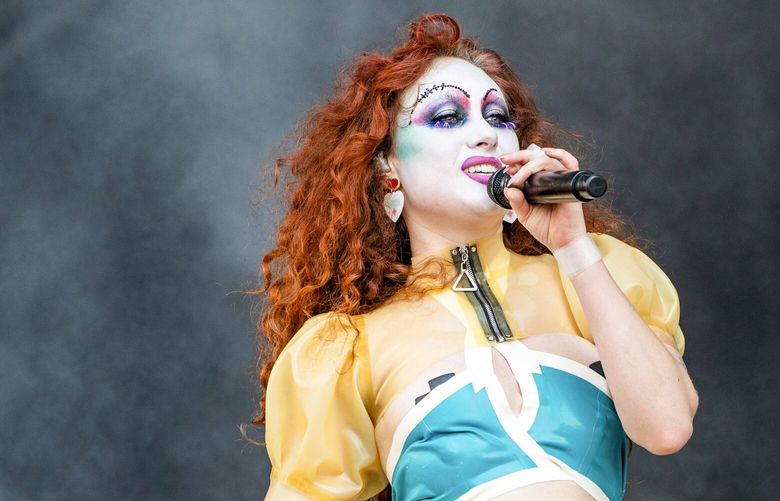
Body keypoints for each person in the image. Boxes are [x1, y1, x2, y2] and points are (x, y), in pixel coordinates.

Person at [248, 13, 698, 501]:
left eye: (498, 117)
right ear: (387, 169)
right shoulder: (346, 348)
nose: (486, 134)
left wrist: (572, 247)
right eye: (447, 117)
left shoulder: (598, 273)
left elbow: (666, 427)